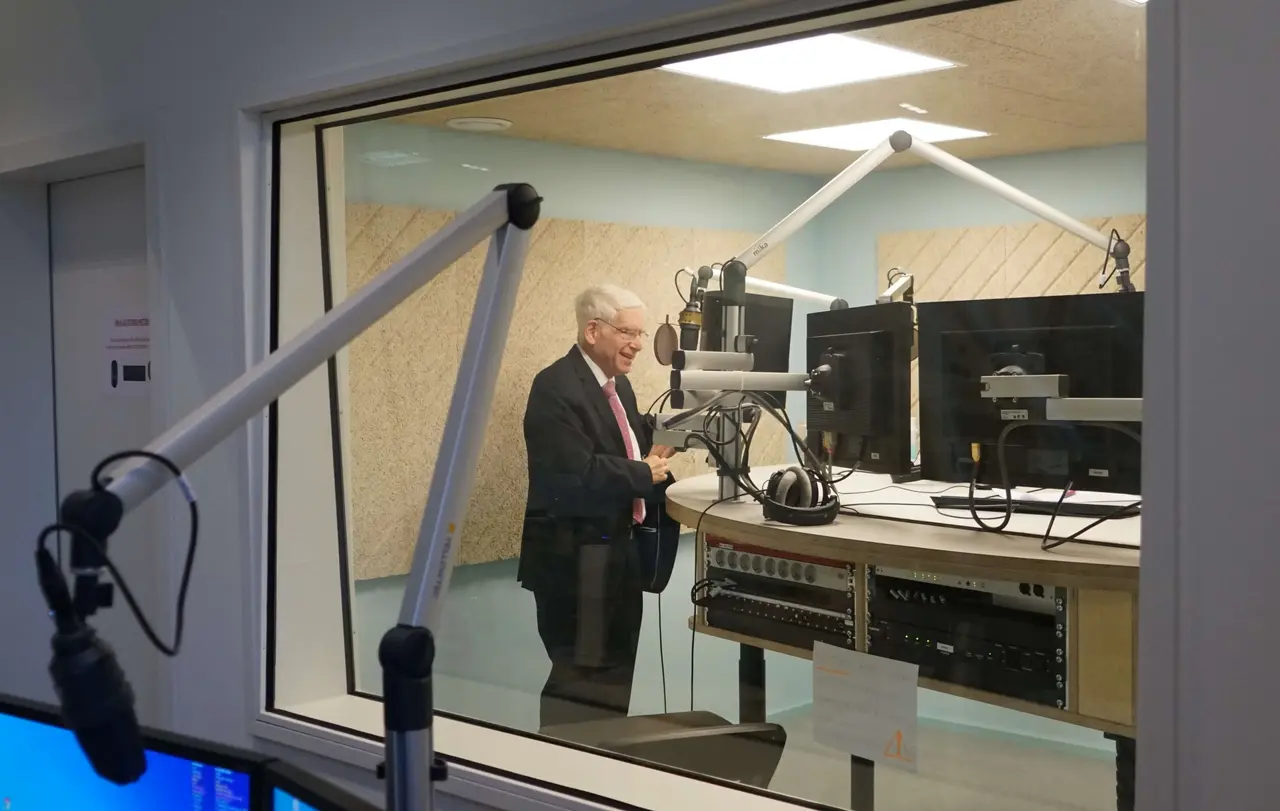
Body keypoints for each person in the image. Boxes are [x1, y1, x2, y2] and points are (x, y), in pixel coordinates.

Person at [517, 284, 677, 731]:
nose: (640, 345)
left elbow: (624, 440)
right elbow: (574, 474)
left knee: (615, 675)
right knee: (579, 682)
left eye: (642, 334)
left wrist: (673, 429)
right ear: (593, 330)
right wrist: (643, 473)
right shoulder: (554, 386)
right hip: (576, 562)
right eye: (629, 332)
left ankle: (604, 769)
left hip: (618, 558)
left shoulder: (617, 386)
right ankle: (562, 784)